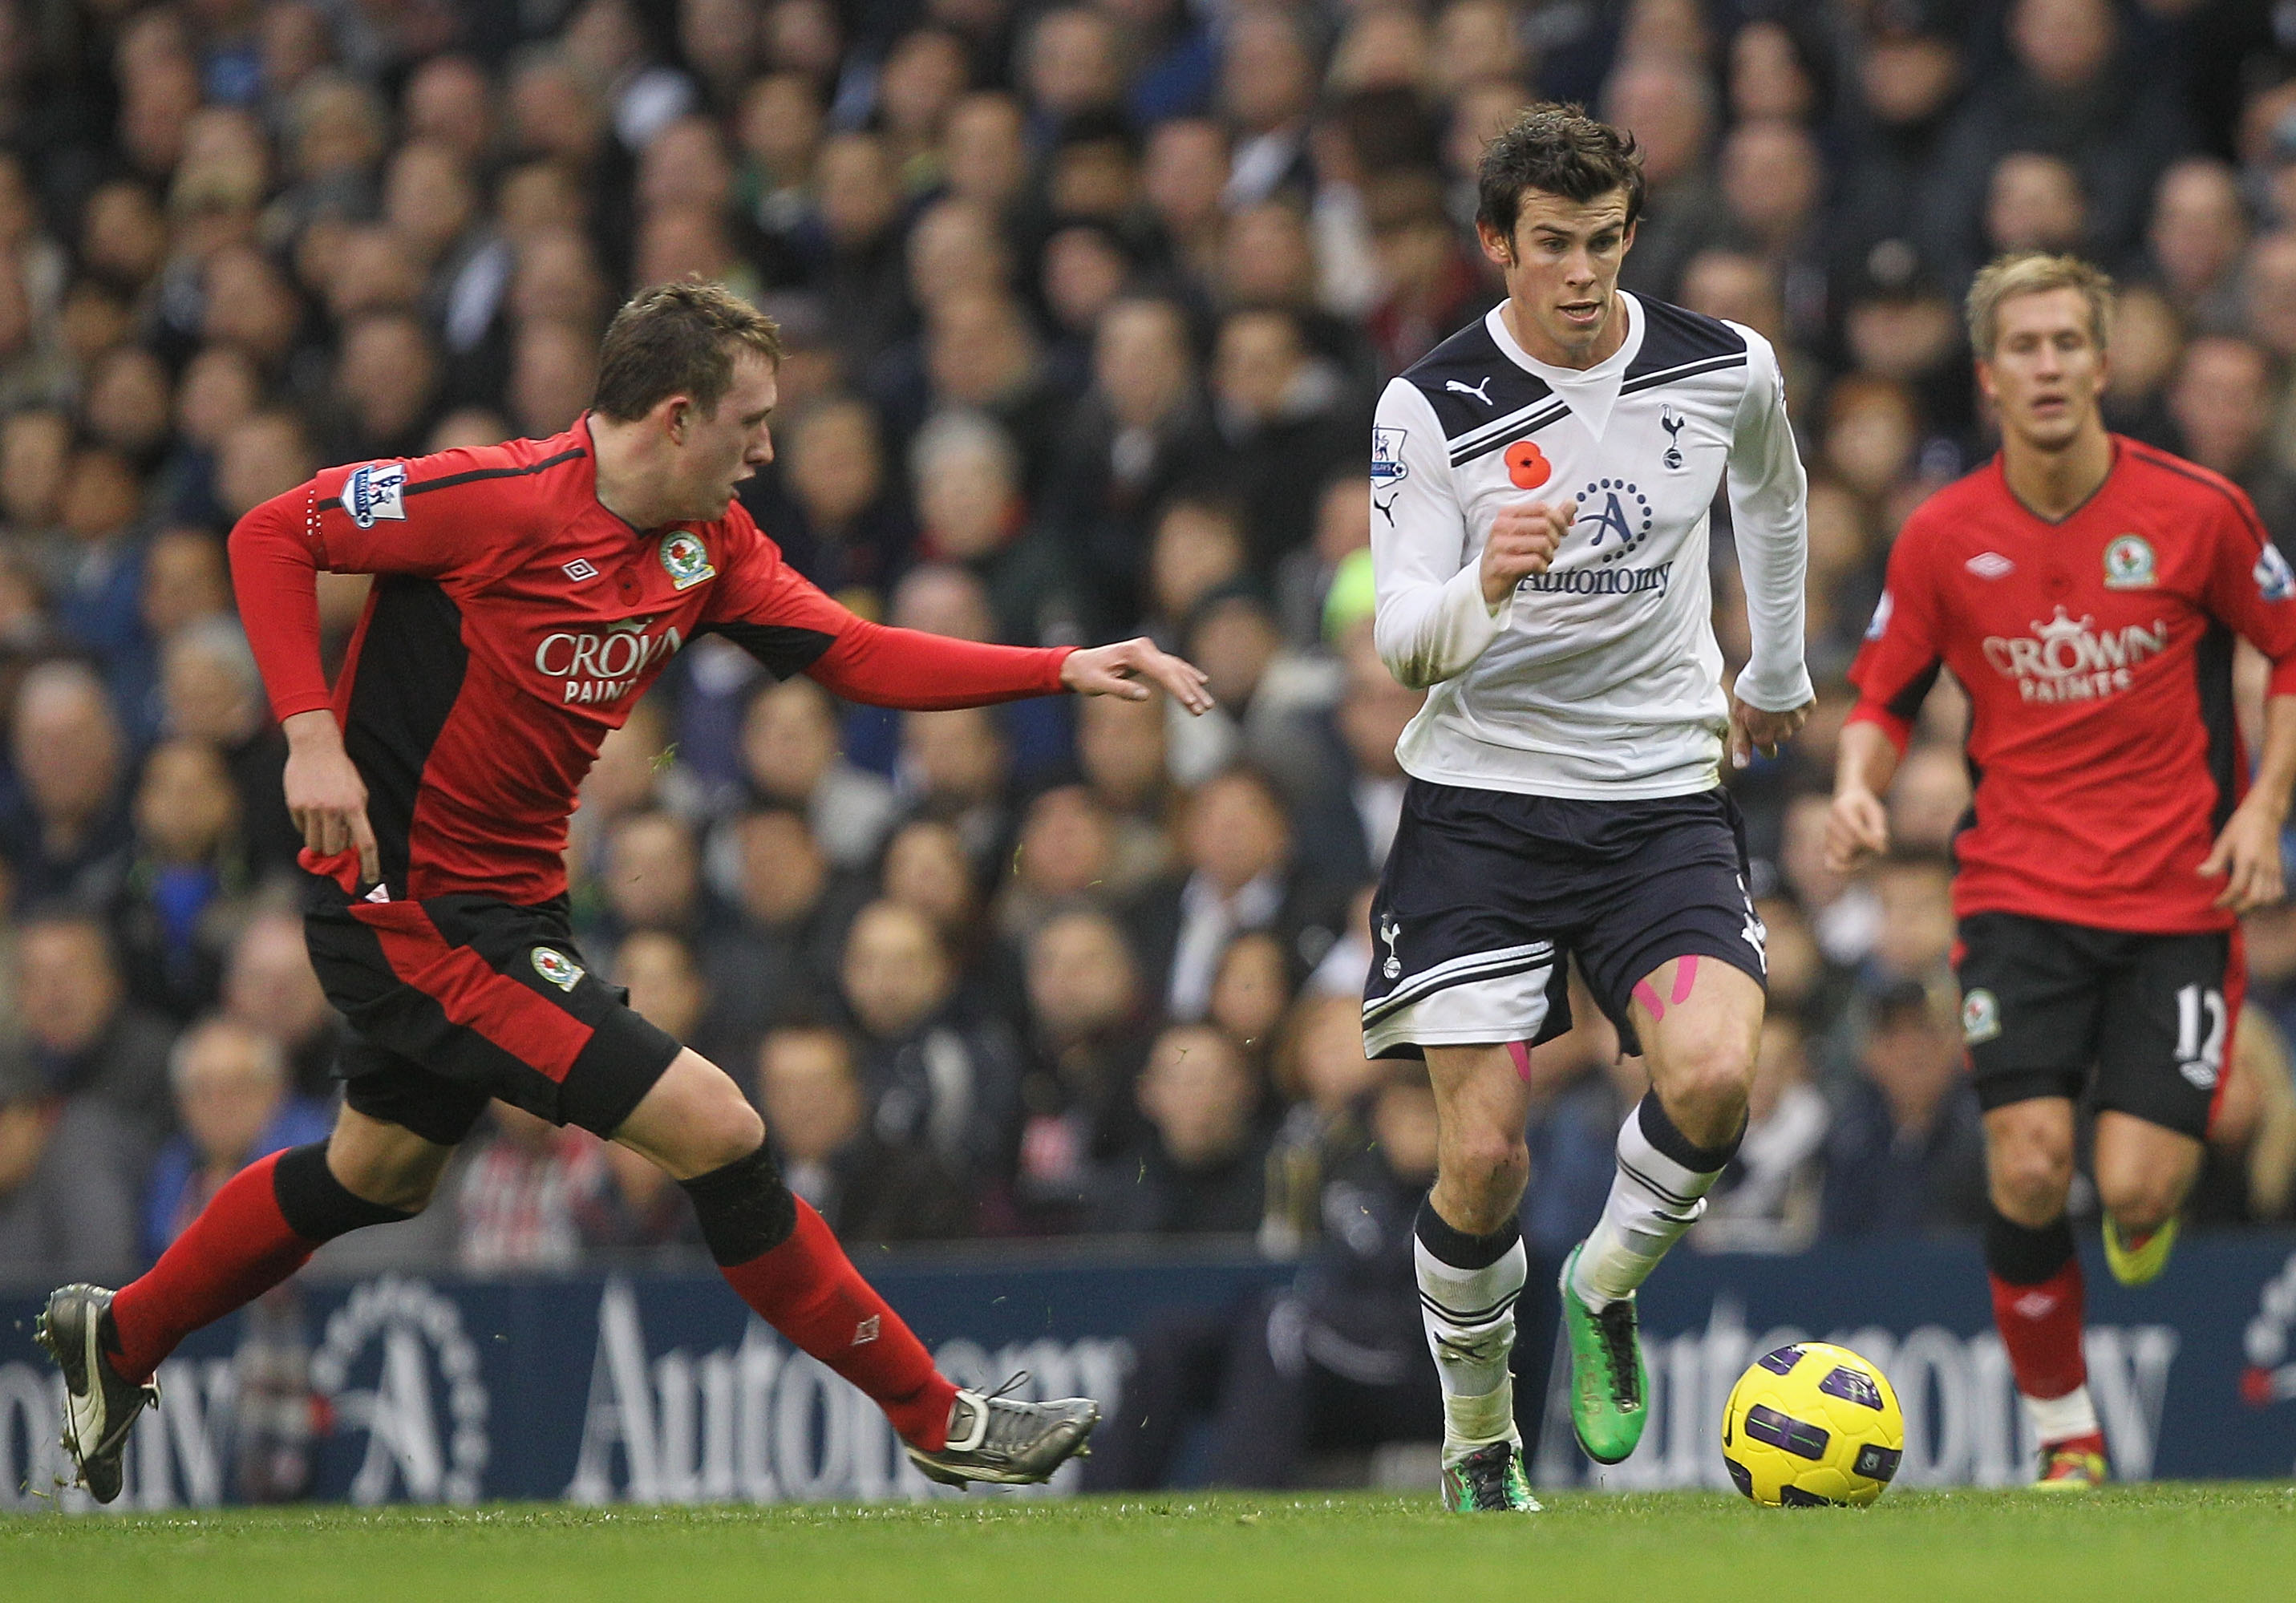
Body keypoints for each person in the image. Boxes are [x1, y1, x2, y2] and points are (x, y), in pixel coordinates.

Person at [35, 279, 1215, 1506]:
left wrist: (1062, 666)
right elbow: (272, 532)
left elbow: (853, 654)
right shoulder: (493, 499)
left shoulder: (711, 547)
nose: (768, 450)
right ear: (673, 416)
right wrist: (306, 735)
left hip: (514, 907)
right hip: (413, 905)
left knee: (377, 1172)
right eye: (751, 423)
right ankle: (937, 1416)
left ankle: (116, 1338)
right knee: (721, 1129)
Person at [1363, 105, 1810, 1512]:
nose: (1580, 273)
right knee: (1485, 1155)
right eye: (1549, 245)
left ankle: (1607, 1283)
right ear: (1495, 244)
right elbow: (1402, 644)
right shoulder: (1430, 407)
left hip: (1658, 799)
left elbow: (1775, 500)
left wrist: (1777, 666)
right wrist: (1486, 582)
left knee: (1718, 1078)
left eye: (1603, 241)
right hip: (1481, 807)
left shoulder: (1720, 363)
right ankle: (1482, 1432)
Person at [1828, 252, 2296, 1487]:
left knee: (2140, 1193)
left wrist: (2263, 809)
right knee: (2031, 1161)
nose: (2047, 366)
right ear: (1990, 376)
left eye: (2068, 344)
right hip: (2018, 897)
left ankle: (2141, 1225)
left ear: (2102, 365)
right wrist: (1855, 782)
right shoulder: (1944, 535)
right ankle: (2068, 1440)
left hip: (2179, 901)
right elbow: (1884, 690)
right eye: (2024, 347)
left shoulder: (2197, 509)